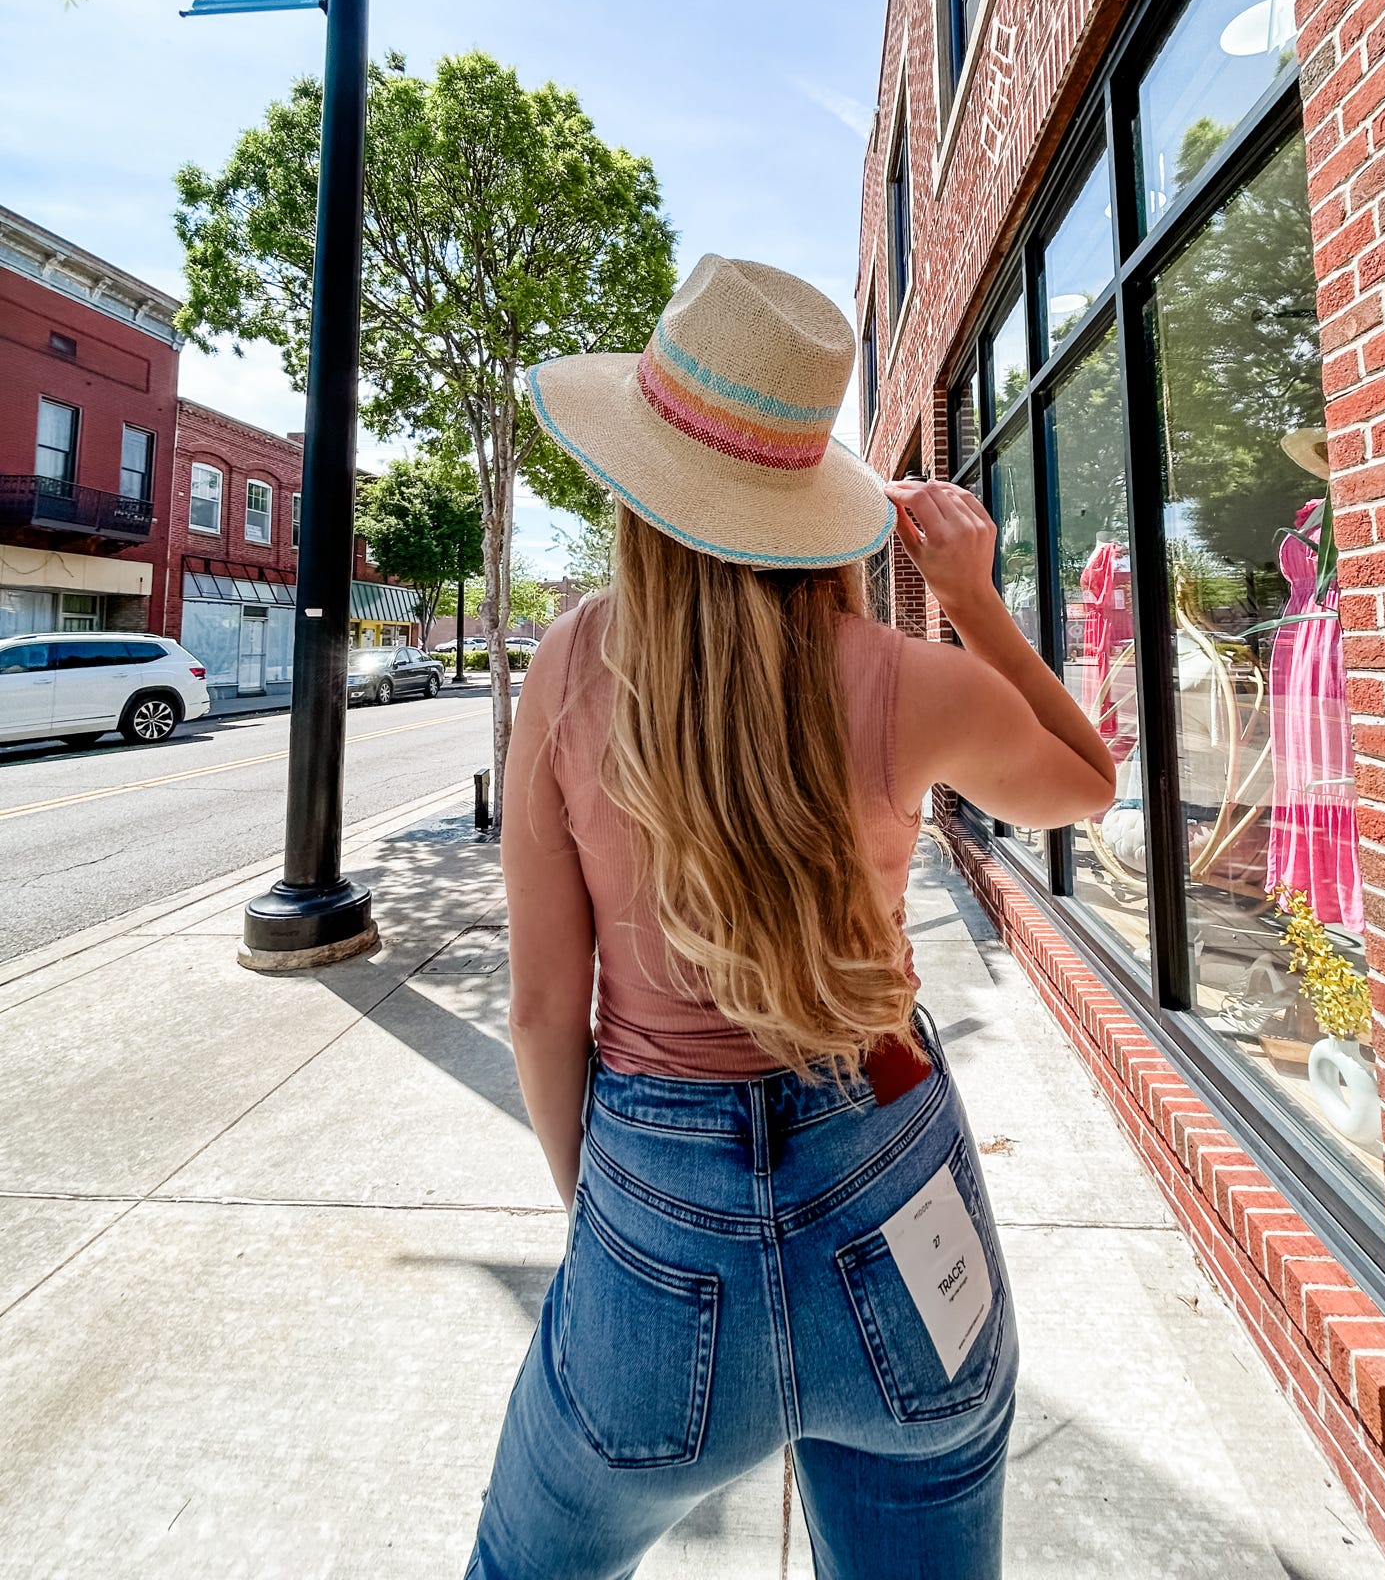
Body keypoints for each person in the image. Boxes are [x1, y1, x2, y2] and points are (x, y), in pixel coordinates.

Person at [466, 255, 1116, 1580]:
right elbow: (1088, 784)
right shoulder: (908, 682)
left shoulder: (574, 666)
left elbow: (542, 1012)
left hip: (655, 1204)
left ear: (646, 487)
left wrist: (611, 1223)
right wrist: (976, 598)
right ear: (810, 504)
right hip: (888, 1165)